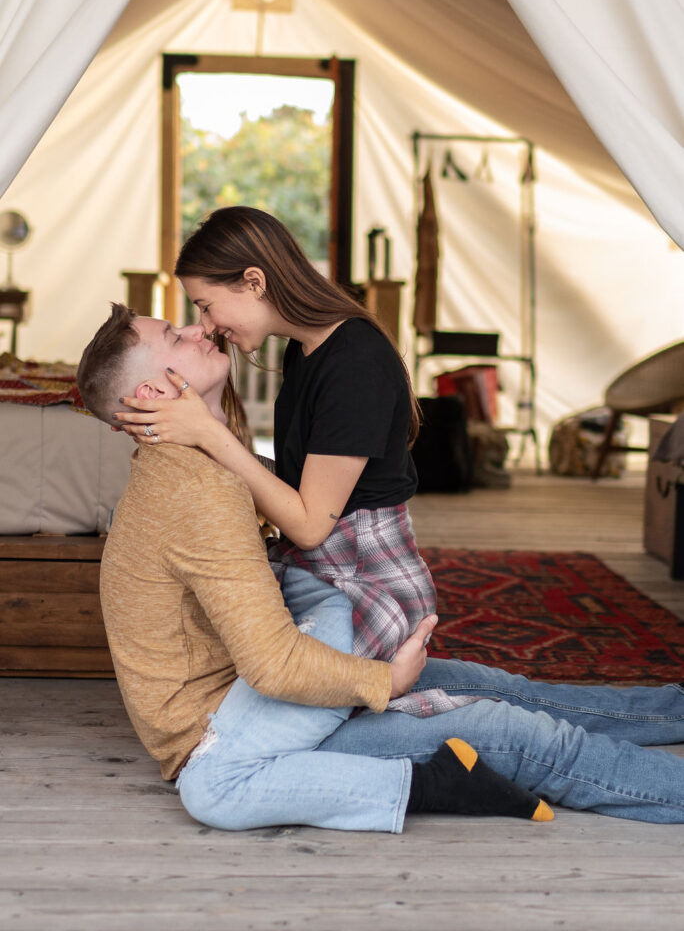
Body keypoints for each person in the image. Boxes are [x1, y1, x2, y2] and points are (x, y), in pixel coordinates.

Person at [84, 305, 684, 827]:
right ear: (154, 396)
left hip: (265, 686)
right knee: (510, 733)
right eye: (175, 335)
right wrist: (385, 683)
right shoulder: (192, 490)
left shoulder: (205, 464)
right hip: (228, 730)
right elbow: (273, 664)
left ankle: (675, 707)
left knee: (486, 685)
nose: (198, 329)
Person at [114, 206, 454, 718]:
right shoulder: (305, 349)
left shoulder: (354, 361)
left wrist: (211, 435)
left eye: (206, 306)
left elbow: (312, 524)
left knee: (262, 716)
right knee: (267, 687)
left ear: (253, 281)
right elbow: (298, 491)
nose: (207, 326)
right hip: (319, 571)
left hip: (365, 582)